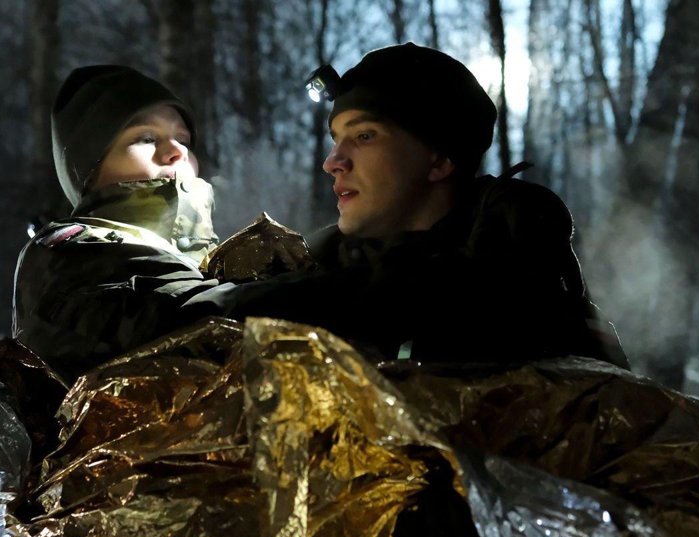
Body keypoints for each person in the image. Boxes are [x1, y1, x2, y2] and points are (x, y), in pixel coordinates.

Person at [186, 43, 626, 369]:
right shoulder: (310, 267)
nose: (332, 162)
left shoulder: (522, 283)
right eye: (335, 139)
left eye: (364, 136)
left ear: (439, 159)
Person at [12, 64, 220, 384]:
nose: (176, 151)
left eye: (184, 139)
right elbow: (193, 314)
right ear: (89, 171)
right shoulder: (69, 253)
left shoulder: (216, 262)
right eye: (146, 138)